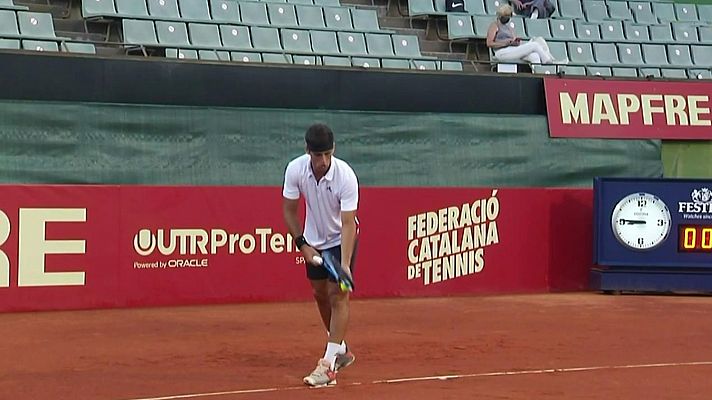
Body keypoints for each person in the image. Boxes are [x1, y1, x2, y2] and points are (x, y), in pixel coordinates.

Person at [282, 123, 359, 387]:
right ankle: (342, 350)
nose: (323, 161)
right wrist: (303, 244)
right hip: (313, 241)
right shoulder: (295, 169)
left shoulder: (346, 176)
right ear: (308, 151)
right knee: (319, 294)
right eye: (318, 155)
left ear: (333, 150)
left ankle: (327, 366)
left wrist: (345, 265)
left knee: (338, 294)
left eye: (328, 154)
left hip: (340, 241)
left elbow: (348, 223)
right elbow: (289, 211)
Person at [487, 5, 565, 65]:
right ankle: (550, 62)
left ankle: (540, 75)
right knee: (534, 45)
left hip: (513, 49)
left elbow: (513, 39)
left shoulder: (509, 27)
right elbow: (489, 43)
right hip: (501, 52)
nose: (507, 18)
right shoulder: (494, 25)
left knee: (535, 54)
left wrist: (515, 42)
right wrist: (505, 43)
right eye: (506, 16)